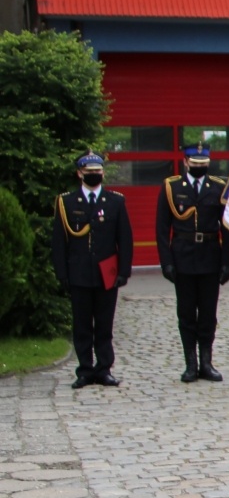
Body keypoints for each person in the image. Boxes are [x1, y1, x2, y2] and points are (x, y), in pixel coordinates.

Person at [50, 153, 132, 389]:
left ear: (103, 172)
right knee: (82, 325)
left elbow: (124, 239)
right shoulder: (66, 203)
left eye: (97, 170)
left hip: (107, 273)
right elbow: (59, 242)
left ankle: (104, 368)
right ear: (79, 173)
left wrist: (123, 271)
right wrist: (62, 273)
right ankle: (85, 370)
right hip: (79, 274)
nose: (93, 174)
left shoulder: (115, 201)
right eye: (88, 171)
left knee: (104, 325)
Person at [156, 143, 229, 383]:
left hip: (210, 256)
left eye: (204, 163)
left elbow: (228, 228)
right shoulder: (172, 187)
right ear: (186, 162)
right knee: (187, 313)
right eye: (195, 163)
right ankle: (190, 363)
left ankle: (207, 363)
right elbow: (162, 228)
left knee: (208, 314)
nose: (200, 166)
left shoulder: (218, 187)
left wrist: (227, 262)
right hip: (184, 257)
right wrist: (166, 262)